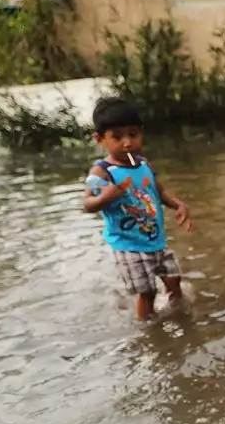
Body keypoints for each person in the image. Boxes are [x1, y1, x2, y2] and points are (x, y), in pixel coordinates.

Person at [83, 97, 194, 320]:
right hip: (129, 245)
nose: (127, 143)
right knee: (147, 292)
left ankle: (182, 318)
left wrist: (178, 205)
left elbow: (158, 191)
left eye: (133, 134)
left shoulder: (142, 163)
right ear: (100, 139)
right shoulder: (102, 171)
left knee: (174, 280)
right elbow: (87, 205)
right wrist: (106, 196)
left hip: (155, 239)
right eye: (117, 137)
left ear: (141, 132)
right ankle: (148, 331)